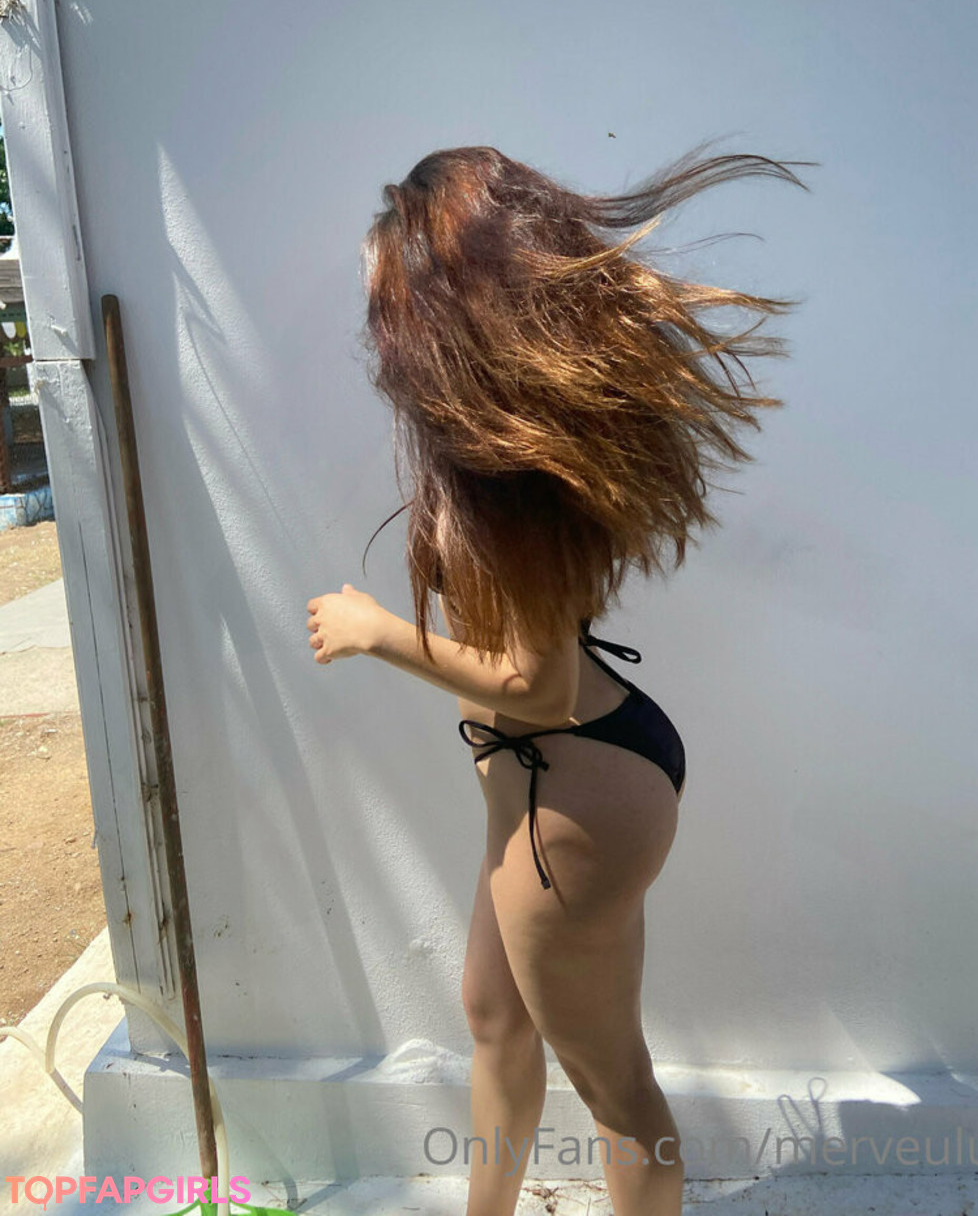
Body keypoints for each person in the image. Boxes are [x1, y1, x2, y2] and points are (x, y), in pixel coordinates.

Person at [306, 141, 812, 1216]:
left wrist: (376, 632)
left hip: (573, 794)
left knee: (615, 1087)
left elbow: (535, 688)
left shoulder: (512, 476)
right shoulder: (505, 448)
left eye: (389, 294)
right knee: (493, 1014)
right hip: (541, 778)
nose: (377, 325)